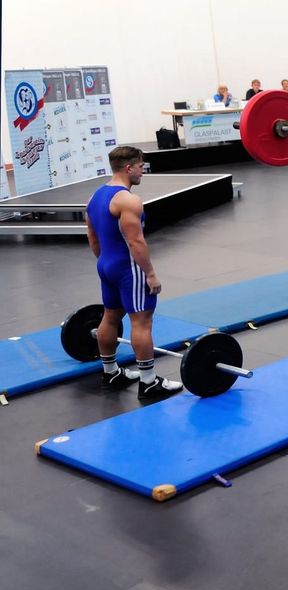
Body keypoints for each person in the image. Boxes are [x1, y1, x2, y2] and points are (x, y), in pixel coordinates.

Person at [84, 146, 183, 400]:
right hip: (129, 269)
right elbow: (136, 243)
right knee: (141, 321)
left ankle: (110, 372)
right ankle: (149, 382)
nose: (143, 172)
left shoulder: (95, 197)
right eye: (140, 166)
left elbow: (93, 238)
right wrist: (150, 274)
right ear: (128, 168)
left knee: (110, 317)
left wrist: (106, 263)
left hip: (106, 265)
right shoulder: (128, 201)